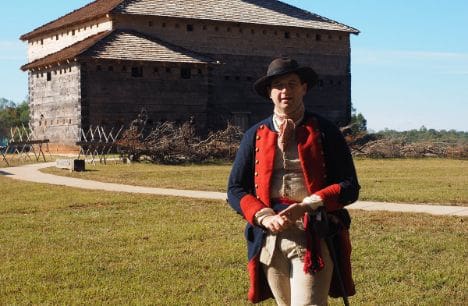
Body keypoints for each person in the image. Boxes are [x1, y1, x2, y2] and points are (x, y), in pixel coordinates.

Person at [227, 57, 360, 306]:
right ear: (270, 93)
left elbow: (349, 186)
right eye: (278, 85)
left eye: (292, 83)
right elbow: (234, 189)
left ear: (304, 88)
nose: (285, 91)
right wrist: (264, 216)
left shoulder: (326, 131)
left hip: (312, 236)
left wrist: (307, 205)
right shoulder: (254, 134)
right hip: (269, 239)